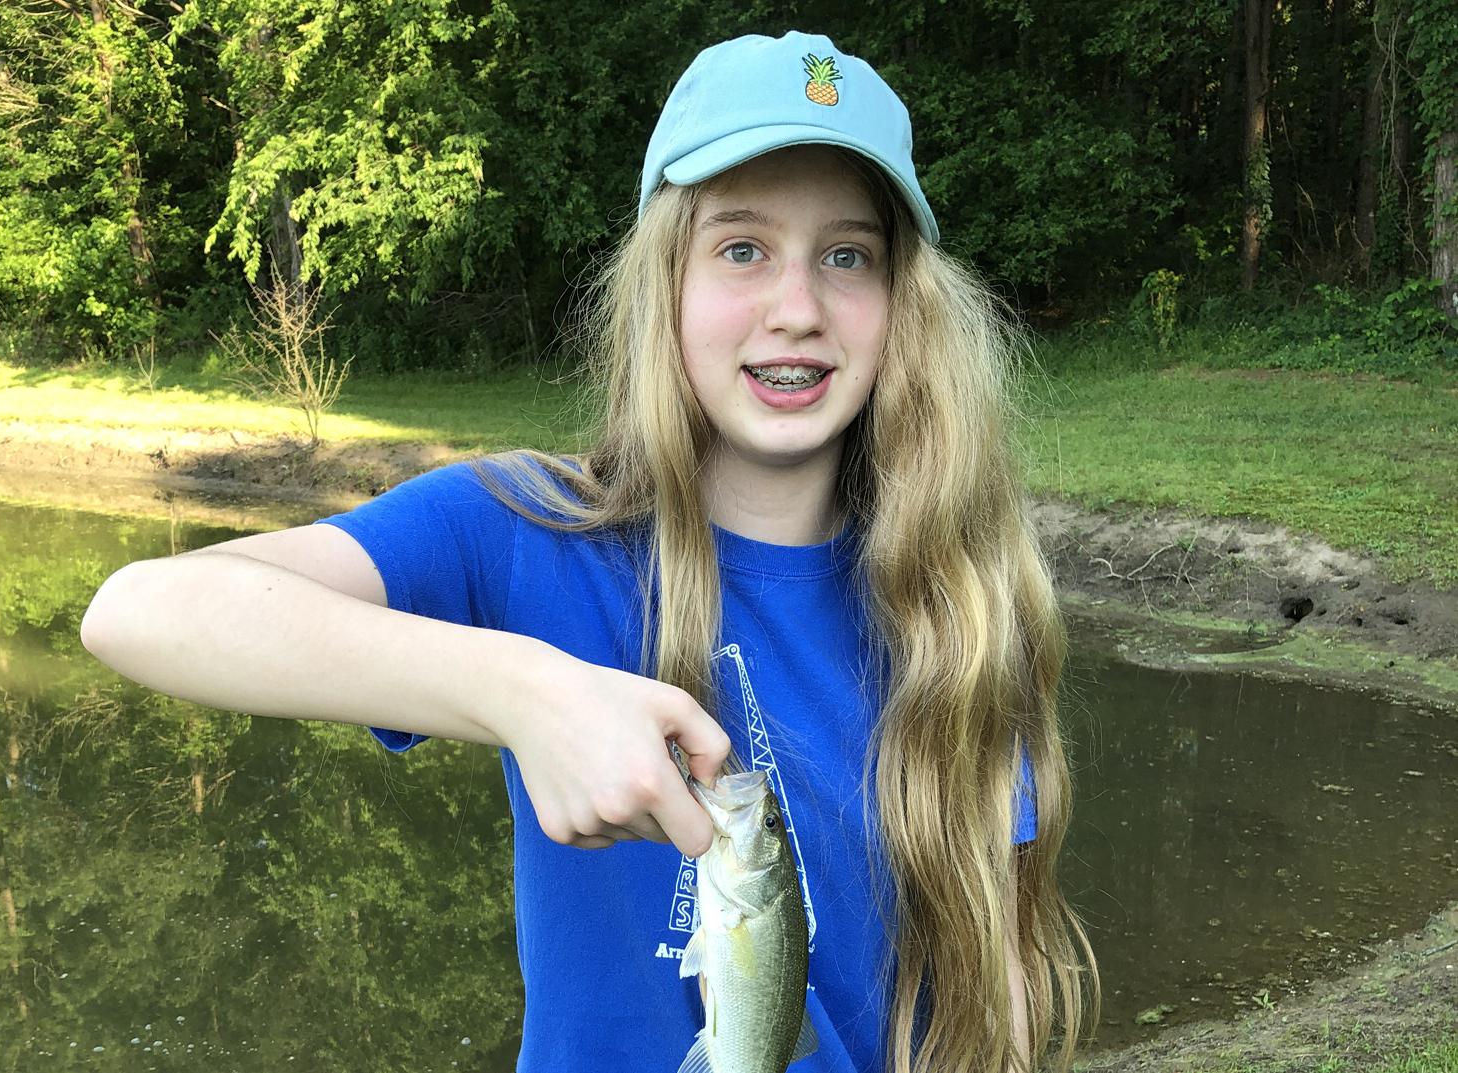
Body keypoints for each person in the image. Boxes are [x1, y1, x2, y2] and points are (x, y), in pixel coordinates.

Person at [81, 29, 1097, 1073]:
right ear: (665, 283)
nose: (797, 309)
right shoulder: (520, 528)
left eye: (847, 256)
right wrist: (526, 691)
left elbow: (997, 979)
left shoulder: (958, 605)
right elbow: (141, 610)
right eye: (741, 249)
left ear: (903, 307)